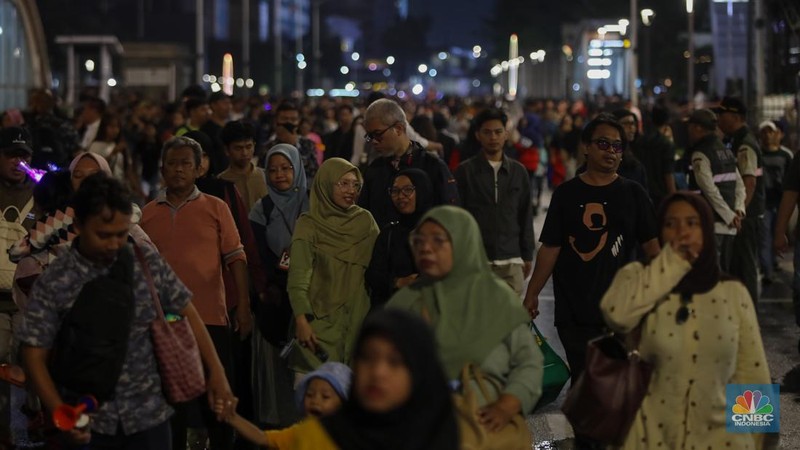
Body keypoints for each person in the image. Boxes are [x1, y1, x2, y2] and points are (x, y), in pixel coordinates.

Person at [17, 173, 234, 449]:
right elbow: (34, 354)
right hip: (89, 421)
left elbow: (188, 313)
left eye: (121, 234)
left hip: (150, 417)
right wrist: (61, 413)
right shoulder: (56, 279)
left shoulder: (145, 263)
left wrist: (217, 374)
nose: (114, 244)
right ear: (80, 225)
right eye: (104, 235)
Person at [600, 192, 772, 450]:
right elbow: (617, 315)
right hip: (650, 439)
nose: (682, 231)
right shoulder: (638, 277)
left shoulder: (733, 292)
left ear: (706, 230)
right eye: (671, 224)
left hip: (722, 441)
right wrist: (672, 265)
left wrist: (759, 441)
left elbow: (752, 373)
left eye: (692, 223)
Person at [524, 113, 660, 381]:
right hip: (574, 309)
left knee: (616, 383)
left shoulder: (634, 194)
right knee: (585, 381)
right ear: (586, 147)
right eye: (603, 143)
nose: (611, 151)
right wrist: (532, 294)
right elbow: (551, 248)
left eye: (617, 146)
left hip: (622, 308)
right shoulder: (566, 194)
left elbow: (653, 249)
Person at [388, 205, 543, 433]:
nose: (426, 249)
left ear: (464, 243)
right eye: (419, 241)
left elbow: (528, 363)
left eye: (438, 241)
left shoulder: (496, 299)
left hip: (481, 429)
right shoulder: (405, 301)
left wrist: (507, 405)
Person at [141, 136, 251, 450]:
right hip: (165, 322)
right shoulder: (147, 214)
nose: (178, 170)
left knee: (215, 397)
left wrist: (242, 306)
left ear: (198, 169)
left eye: (185, 164)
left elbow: (236, 258)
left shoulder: (217, 208)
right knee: (170, 399)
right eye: (172, 164)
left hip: (211, 318)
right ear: (162, 169)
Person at [221, 309, 459, 449]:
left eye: (395, 362)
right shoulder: (324, 433)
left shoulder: (439, 435)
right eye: (367, 357)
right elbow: (267, 439)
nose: (377, 372)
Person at [287, 158, 378, 376]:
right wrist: (302, 320)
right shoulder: (308, 224)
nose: (351, 190)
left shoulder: (365, 221)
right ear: (326, 184)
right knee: (316, 402)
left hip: (359, 325)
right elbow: (299, 278)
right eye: (343, 183)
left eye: (355, 185)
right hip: (319, 328)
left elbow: (379, 270)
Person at [249, 143, 310, 427]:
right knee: (277, 365)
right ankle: (280, 426)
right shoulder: (261, 209)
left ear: (297, 168)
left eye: (286, 168)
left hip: (309, 293)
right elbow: (257, 254)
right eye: (272, 170)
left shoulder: (312, 202)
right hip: (275, 296)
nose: (279, 175)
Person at [455, 108, 534, 296]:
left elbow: (525, 214)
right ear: (478, 135)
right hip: (476, 260)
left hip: (511, 261)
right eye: (487, 132)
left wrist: (528, 254)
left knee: (508, 323)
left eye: (498, 132)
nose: (493, 137)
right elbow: (458, 216)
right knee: (477, 322)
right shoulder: (464, 171)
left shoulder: (518, 171)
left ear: (506, 134)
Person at [359, 98, 459, 228]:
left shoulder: (432, 166)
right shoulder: (375, 169)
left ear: (399, 128)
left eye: (378, 134)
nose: (374, 141)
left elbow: (451, 215)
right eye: (369, 136)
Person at [213, 362, 351, 448]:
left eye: (325, 396)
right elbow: (262, 438)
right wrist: (233, 418)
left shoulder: (352, 439)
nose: (315, 400)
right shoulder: (300, 433)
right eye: (309, 394)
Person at [716, 96, 765, 305]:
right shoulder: (735, 140)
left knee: (745, 268)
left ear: (735, 116)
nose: (718, 119)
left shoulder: (744, 144)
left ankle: (750, 314)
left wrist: (739, 213)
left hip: (747, 216)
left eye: (722, 114)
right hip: (744, 215)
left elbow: (749, 183)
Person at [686, 108, 746, 273]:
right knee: (724, 272)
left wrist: (728, 216)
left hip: (711, 223)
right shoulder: (726, 151)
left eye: (690, 126)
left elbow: (709, 190)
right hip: (730, 225)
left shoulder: (701, 153)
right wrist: (738, 210)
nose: (688, 131)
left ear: (698, 128)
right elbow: (739, 184)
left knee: (710, 272)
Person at [365, 169, 434, 308]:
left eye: (408, 190)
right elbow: (373, 275)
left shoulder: (437, 232)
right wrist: (397, 282)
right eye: (395, 191)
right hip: (394, 316)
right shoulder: (389, 233)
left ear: (421, 191)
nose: (400, 196)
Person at [758, 120, 793, 285]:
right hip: (764, 202)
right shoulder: (757, 154)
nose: (767, 135)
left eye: (770, 131)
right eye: (764, 132)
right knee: (765, 236)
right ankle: (767, 270)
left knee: (777, 233)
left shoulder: (785, 155)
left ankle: (773, 261)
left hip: (780, 202)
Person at [257, 102, 319, 186]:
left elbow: (313, 173)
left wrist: (292, 144)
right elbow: (262, 177)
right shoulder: (267, 148)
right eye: (284, 119)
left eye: (293, 119)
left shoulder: (308, 144)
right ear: (276, 121)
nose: (289, 123)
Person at [632, 105, 677, 206]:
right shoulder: (666, 144)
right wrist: (674, 200)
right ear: (667, 121)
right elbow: (668, 174)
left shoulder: (640, 141)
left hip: (643, 194)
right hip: (662, 196)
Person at [218, 120, 267, 209]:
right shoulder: (220, 182)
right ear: (226, 150)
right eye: (238, 148)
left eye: (248, 147)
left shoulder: (266, 177)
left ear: (254, 146)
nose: (244, 153)